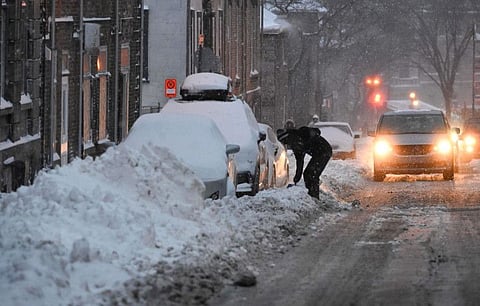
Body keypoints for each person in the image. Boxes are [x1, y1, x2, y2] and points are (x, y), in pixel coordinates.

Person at [277, 126, 332, 199]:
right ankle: (311, 195)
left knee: (312, 174)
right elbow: (300, 162)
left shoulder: (300, 134)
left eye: (286, 142)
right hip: (319, 153)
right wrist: (296, 179)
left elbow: (315, 131)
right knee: (308, 174)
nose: (287, 145)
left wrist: (309, 140)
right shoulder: (296, 144)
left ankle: (314, 196)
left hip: (324, 151)